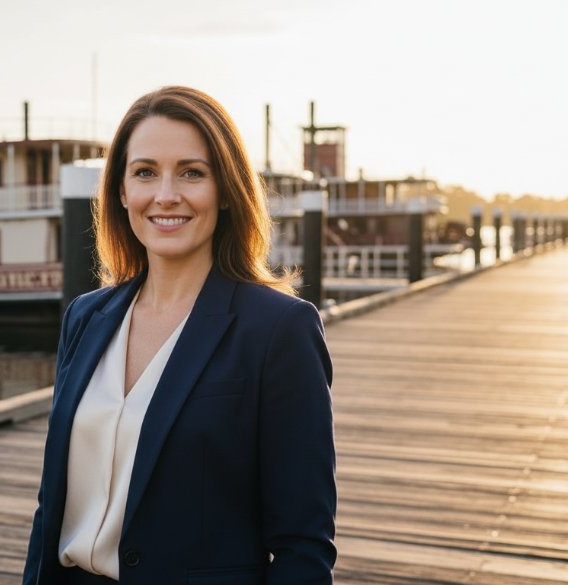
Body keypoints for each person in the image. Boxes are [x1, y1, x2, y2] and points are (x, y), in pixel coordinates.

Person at [23, 86, 336, 585]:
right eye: (145, 172)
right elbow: (50, 510)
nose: (166, 195)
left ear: (227, 190)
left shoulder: (279, 329)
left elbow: (304, 544)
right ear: (121, 191)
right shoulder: (85, 316)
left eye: (192, 172)